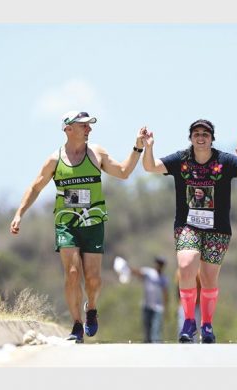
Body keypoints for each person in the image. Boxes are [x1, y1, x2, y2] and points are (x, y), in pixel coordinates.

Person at [10, 111, 145, 343]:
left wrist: (137, 147)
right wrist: (19, 213)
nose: (89, 129)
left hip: (93, 222)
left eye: (89, 126)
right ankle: (76, 325)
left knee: (93, 279)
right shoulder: (55, 160)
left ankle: (91, 308)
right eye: (83, 126)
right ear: (68, 129)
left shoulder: (96, 153)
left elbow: (123, 172)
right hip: (67, 223)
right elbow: (35, 187)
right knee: (72, 274)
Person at [141, 119, 237, 343]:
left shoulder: (224, 160)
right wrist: (148, 147)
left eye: (205, 134)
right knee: (186, 265)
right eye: (196, 133)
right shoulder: (181, 160)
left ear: (211, 138)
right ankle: (189, 321)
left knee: (208, 278)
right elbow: (149, 167)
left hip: (218, 229)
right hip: (188, 226)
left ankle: (207, 325)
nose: (200, 137)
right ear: (190, 138)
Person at [129, 256, 170, 343]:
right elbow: (138, 273)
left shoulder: (164, 278)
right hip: (147, 305)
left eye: (161, 264)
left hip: (158, 307)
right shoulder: (149, 273)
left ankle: (157, 346)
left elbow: (165, 294)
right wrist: (128, 268)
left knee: (156, 328)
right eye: (158, 264)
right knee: (146, 328)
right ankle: (147, 346)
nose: (159, 266)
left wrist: (166, 309)